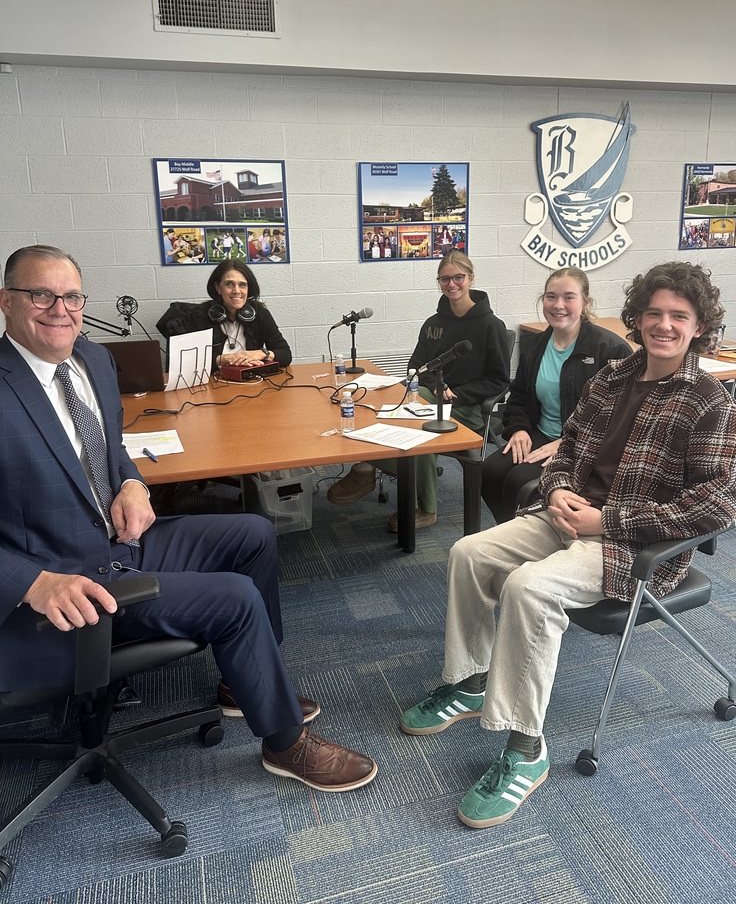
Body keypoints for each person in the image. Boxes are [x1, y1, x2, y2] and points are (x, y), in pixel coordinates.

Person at [0, 245, 376, 794]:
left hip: (121, 542)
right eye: (42, 295)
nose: (61, 309)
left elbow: (110, 448)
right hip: (68, 582)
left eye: (73, 296)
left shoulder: (93, 360)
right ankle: (284, 741)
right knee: (234, 598)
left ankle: (243, 684)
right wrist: (32, 582)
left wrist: (130, 482)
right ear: (6, 302)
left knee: (253, 533)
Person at [399, 261, 736, 828]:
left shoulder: (710, 402)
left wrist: (606, 521)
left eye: (678, 316)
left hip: (630, 545)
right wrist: (557, 493)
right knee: (469, 553)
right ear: (637, 317)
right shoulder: (612, 378)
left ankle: (526, 751)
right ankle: (469, 682)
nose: (664, 325)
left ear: (699, 325)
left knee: (529, 588)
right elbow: (567, 452)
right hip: (566, 516)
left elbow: (716, 507)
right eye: (654, 313)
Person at [327, 252, 509, 530]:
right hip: (429, 398)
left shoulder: (491, 326)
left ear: (471, 278)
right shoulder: (433, 323)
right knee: (385, 403)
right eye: (445, 279)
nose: (452, 284)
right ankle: (368, 467)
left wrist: (457, 392)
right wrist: (434, 386)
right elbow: (416, 366)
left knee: (415, 421)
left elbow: (499, 380)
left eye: (458, 277)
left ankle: (424, 507)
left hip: (468, 409)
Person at [481, 267, 633, 524]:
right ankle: (509, 531)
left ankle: (524, 537)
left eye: (568, 297)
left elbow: (620, 418)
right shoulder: (535, 346)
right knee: (490, 472)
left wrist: (568, 443)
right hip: (540, 433)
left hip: (585, 445)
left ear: (585, 302)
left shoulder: (610, 349)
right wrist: (519, 429)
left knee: (519, 483)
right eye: (551, 297)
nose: (558, 305)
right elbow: (518, 396)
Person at [157, 260, 292, 372]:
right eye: (229, 284)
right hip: (212, 386)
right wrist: (225, 359)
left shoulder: (260, 313)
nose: (237, 291)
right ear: (218, 288)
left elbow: (285, 354)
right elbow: (186, 362)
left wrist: (263, 353)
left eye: (242, 285)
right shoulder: (198, 315)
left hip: (251, 383)